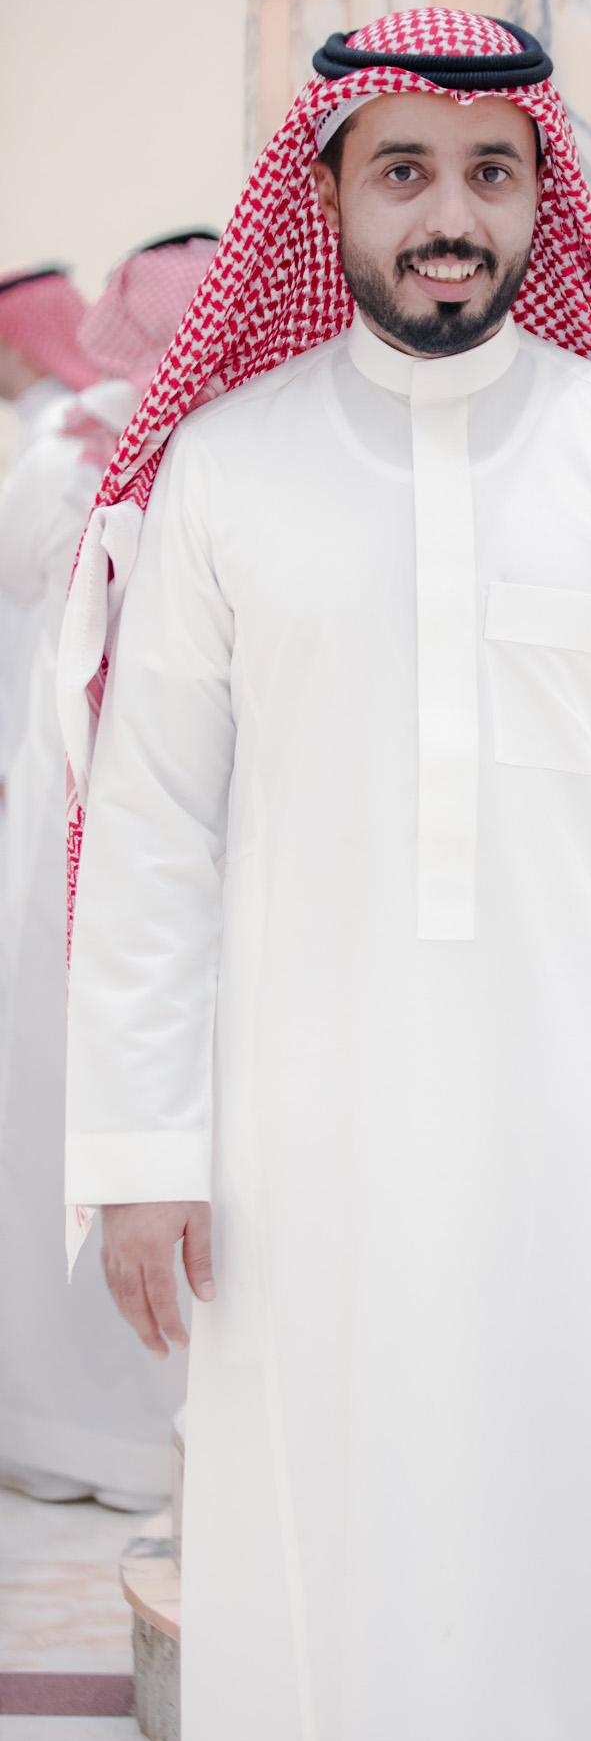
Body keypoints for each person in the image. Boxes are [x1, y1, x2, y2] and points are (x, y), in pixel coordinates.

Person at [60, 8, 591, 1741]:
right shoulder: (227, 466)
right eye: (403, 172)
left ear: (541, 196)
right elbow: (153, 834)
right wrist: (143, 1154)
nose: (450, 216)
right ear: (328, 198)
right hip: (304, 1153)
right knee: (332, 1565)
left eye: (491, 173)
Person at [0, 231, 217, 1508]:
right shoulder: (220, 451)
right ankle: (129, 1433)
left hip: (75, 824)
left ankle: (71, 1426)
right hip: (123, 820)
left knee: (72, 1097)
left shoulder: (72, 450)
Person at [0, 266, 101, 794]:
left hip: (43, 702)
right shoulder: (59, 428)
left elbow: (11, 580)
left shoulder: (63, 437)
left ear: (16, 340)